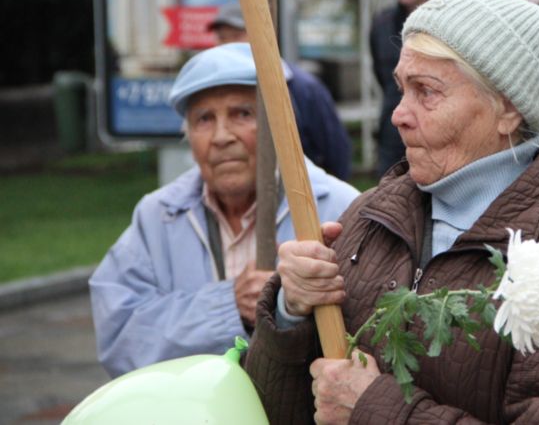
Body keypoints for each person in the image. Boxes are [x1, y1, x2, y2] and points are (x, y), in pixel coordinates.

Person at [245, 0, 539, 423]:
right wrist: (292, 313)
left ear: (509, 109)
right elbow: (274, 411)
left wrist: (375, 411)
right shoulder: (369, 219)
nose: (398, 115)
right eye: (402, 88)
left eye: (427, 92)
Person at [89, 43, 359, 378]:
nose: (221, 136)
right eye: (204, 119)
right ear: (188, 135)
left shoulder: (338, 208)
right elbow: (120, 341)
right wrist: (227, 305)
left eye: (242, 114)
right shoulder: (157, 216)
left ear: (278, 123)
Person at [206, 2, 353, 180]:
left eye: (236, 36)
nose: (228, 46)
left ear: (260, 34)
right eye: (222, 38)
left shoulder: (302, 88)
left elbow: (336, 151)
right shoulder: (210, 91)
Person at [370, 0, 438, 176]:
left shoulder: (451, 22)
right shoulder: (382, 24)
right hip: (393, 137)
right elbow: (383, 76)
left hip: (436, 135)